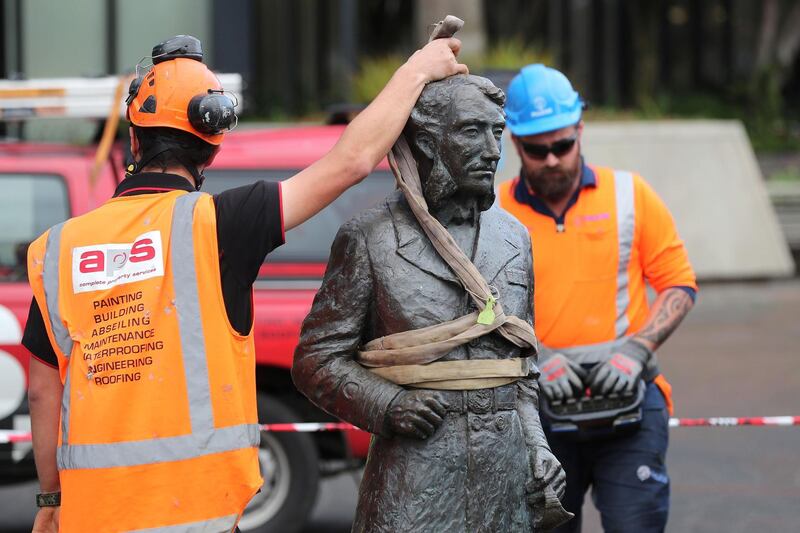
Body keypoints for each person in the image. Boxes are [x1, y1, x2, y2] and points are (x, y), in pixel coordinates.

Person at [23, 34, 466, 533]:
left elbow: (44, 391)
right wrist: (418, 69)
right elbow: (352, 162)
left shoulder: (58, 249)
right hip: (202, 519)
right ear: (212, 148)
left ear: (133, 141)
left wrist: (51, 498)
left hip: (93, 520)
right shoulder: (223, 223)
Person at [292, 74, 570, 532]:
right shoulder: (371, 240)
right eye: (470, 131)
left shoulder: (513, 239)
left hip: (507, 483)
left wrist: (537, 447)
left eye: (497, 132)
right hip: (415, 479)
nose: (492, 149)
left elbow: (521, 368)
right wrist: (387, 404)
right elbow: (315, 361)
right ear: (427, 140)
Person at [497, 64, 697, 533]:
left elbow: (679, 284)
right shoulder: (495, 214)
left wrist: (636, 351)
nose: (551, 160)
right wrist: (534, 360)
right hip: (536, 412)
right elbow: (478, 308)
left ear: (580, 130)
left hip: (630, 402)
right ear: (514, 143)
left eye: (562, 145)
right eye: (536, 149)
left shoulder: (631, 195)